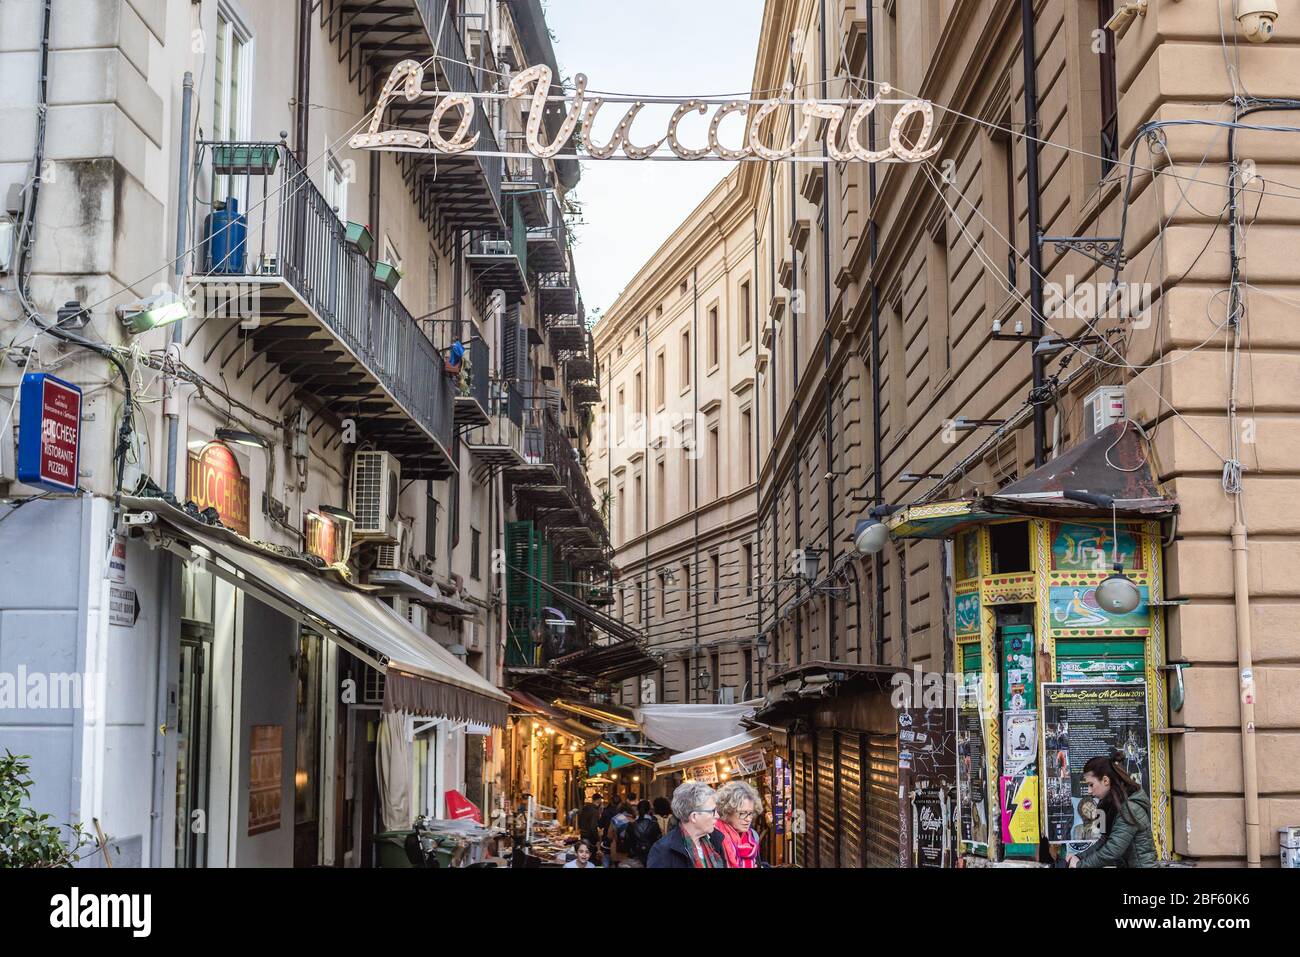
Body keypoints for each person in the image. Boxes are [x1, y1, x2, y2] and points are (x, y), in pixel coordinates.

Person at [1067, 754, 1156, 868]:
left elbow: (1113, 849)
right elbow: (1104, 840)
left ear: (1105, 780)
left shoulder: (1130, 807)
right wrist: (1079, 857)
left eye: (1091, 785)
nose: (1089, 791)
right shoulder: (1108, 805)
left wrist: (1080, 865)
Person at [646, 781, 726, 868]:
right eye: (713, 811)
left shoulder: (715, 839)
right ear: (694, 816)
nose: (717, 816)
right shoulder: (662, 851)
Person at [710, 780, 764, 868]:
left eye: (750, 813)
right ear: (727, 811)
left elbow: (759, 862)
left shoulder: (753, 836)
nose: (748, 819)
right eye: (742, 813)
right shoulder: (714, 837)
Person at [626, 800, 663, 866]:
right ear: (649, 810)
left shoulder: (632, 824)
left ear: (637, 810)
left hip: (636, 855)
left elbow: (628, 841)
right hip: (651, 855)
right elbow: (659, 840)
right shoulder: (653, 824)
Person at [605, 802, 635, 867]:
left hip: (617, 851)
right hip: (630, 852)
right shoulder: (634, 820)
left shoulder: (615, 819)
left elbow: (609, 836)